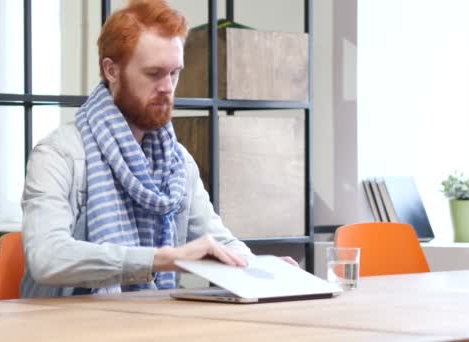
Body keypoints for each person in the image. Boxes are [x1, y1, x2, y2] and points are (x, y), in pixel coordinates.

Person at [20, 0, 296, 298]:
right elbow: (47, 257)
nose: (167, 87)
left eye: (174, 73)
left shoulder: (178, 162)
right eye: (154, 73)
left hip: (152, 321)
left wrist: (256, 267)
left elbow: (216, 241)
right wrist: (161, 259)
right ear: (111, 70)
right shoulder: (58, 155)